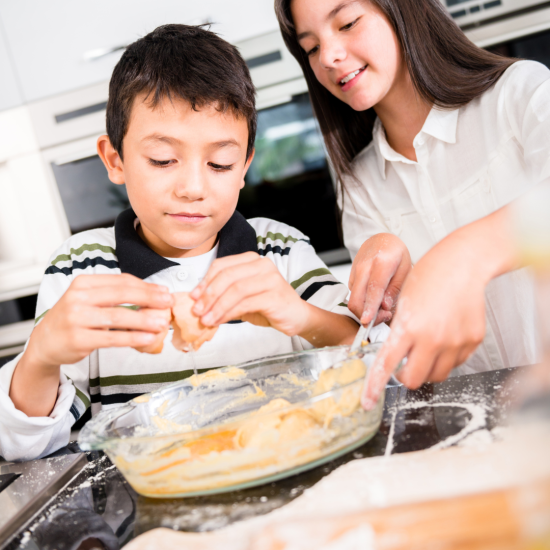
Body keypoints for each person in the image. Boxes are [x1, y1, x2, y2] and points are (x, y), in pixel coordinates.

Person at [0, 24, 369, 462]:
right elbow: (26, 443)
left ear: (245, 164)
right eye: (162, 160)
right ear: (114, 160)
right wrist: (42, 356)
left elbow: (372, 364)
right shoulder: (81, 269)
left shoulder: (280, 251)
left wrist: (300, 315)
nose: (193, 187)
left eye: (219, 163)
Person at [275, 0, 550, 408]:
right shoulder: (361, 186)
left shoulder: (522, 92)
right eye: (312, 47)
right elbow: (396, 362)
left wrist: (460, 257)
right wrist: (383, 307)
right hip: (481, 430)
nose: (329, 57)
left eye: (347, 23)